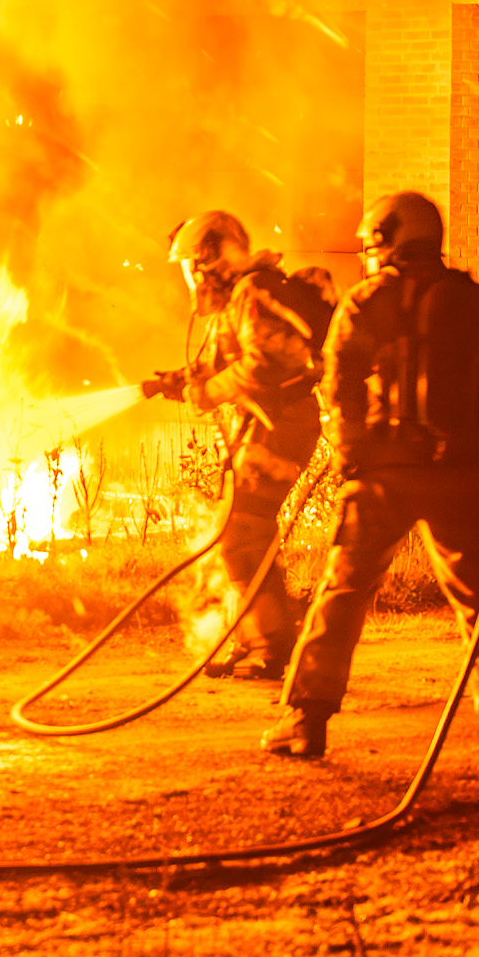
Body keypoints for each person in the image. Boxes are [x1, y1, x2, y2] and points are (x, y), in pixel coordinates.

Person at [264, 191, 479, 762]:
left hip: (383, 475)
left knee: (341, 593)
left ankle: (305, 723)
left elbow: (337, 387)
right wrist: (465, 428)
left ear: (388, 240)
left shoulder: (367, 303)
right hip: (460, 475)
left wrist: (350, 457)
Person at [141, 210, 334, 681]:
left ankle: (269, 647)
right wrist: (177, 381)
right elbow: (218, 364)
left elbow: (263, 365)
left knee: (243, 531)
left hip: (283, 423)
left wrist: (204, 392)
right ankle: (247, 637)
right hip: (264, 422)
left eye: (191, 265)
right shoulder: (237, 302)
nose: (189, 277)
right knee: (235, 532)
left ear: (210, 259)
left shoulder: (253, 293)